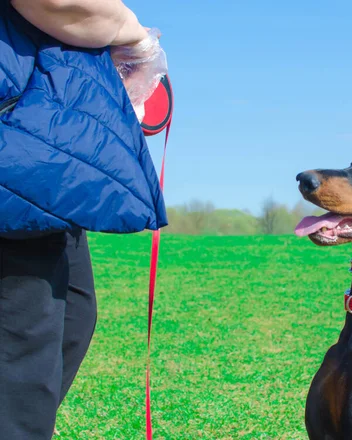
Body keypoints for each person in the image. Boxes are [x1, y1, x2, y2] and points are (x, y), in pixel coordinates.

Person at [0, 1, 168, 438]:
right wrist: (134, 37)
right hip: (17, 148)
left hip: (37, 147)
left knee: (72, 315)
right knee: (21, 355)